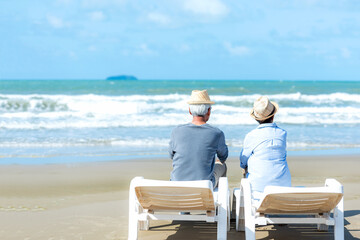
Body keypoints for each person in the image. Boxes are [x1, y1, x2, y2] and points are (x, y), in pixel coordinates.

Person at [169, 90, 228, 189]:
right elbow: (223, 157)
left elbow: (171, 155)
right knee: (222, 165)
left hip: (176, 184)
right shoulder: (216, 133)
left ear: (190, 111)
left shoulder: (176, 131)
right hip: (204, 186)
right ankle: (218, 201)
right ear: (209, 111)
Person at [240, 96, 291, 193]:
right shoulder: (282, 133)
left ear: (256, 119)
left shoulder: (251, 136)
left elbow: (243, 161)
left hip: (258, 189)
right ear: (273, 116)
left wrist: (245, 165)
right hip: (284, 186)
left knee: (249, 160)